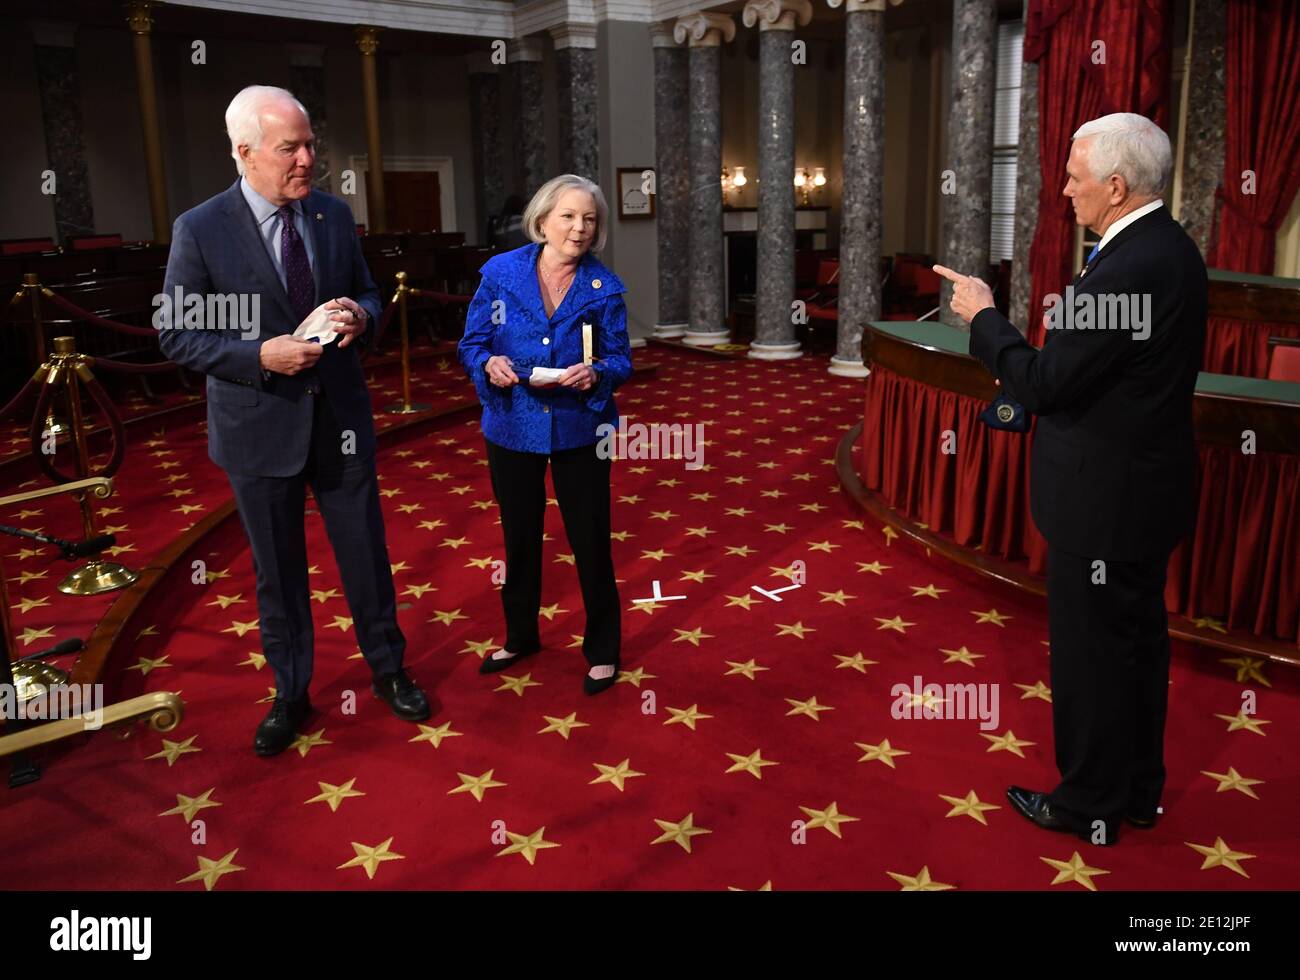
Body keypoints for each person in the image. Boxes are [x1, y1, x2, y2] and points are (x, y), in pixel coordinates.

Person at [936, 112, 1207, 844]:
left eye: (1074, 178)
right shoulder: (1170, 247)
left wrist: (983, 319)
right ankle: (1138, 792)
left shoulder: (1128, 267)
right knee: (1138, 647)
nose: (1063, 191)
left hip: (1105, 506)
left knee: (1094, 658)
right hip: (1145, 494)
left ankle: (1088, 803)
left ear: (1115, 186)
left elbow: (1045, 383)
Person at [158, 85, 430, 757]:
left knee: (366, 555)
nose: (308, 159)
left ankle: (389, 670)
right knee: (277, 571)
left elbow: (367, 290)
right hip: (258, 429)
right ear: (244, 153)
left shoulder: (333, 217)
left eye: (311, 145)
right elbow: (178, 334)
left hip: (339, 418)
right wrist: (259, 355)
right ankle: (292, 693)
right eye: (292, 148)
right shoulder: (202, 228)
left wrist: (364, 316)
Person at [457, 174, 632, 695]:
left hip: (580, 426)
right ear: (542, 220)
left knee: (590, 541)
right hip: (513, 424)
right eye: (568, 217)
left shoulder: (605, 288)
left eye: (589, 219)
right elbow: (472, 342)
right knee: (519, 537)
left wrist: (598, 371)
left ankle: (602, 649)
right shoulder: (501, 273)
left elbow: (622, 359)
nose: (579, 229)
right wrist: (488, 363)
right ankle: (520, 636)